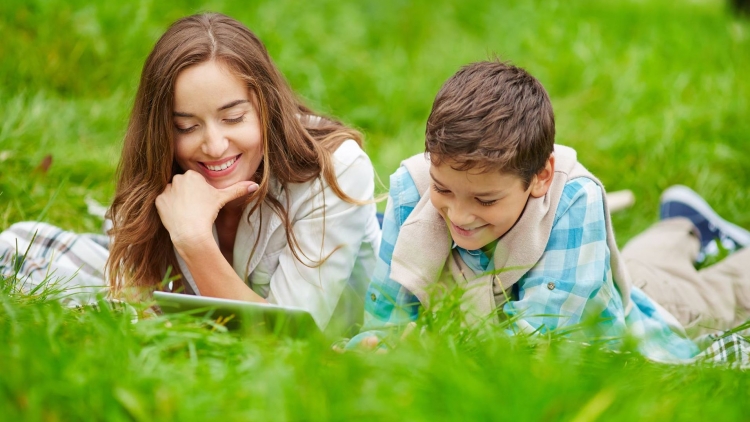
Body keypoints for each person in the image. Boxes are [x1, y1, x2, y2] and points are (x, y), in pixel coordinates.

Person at [0, 13, 381, 335]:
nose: (214, 146)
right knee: (22, 249)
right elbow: (142, 297)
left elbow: (283, 338)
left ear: (268, 107)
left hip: (334, 334)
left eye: (233, 118)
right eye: (186, 127)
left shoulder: (336, 170)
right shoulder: (165, 168)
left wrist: (193, 240)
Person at [346, 60, 750, 363]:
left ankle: (691, 228)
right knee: (640, 269)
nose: (460, 215)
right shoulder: (409, 192)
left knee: (711, 298)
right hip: (588, 273)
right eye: (443, 189)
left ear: (541, 176)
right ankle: (686, 224)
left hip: (612, 316)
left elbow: (539, 337)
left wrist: (425, 351)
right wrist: (372, 347)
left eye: (486, 200)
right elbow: (387, 313)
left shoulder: (575, 199)